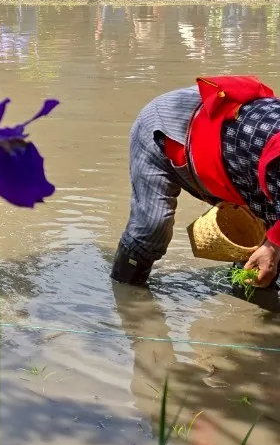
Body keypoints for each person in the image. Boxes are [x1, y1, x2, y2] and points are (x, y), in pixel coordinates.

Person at [111, 76, 280, 290]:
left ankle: (245, 296)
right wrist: (273, 246)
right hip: (166, 130)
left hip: (239, 155)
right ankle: (124, 294)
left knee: (257, 236)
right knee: (151, 228)